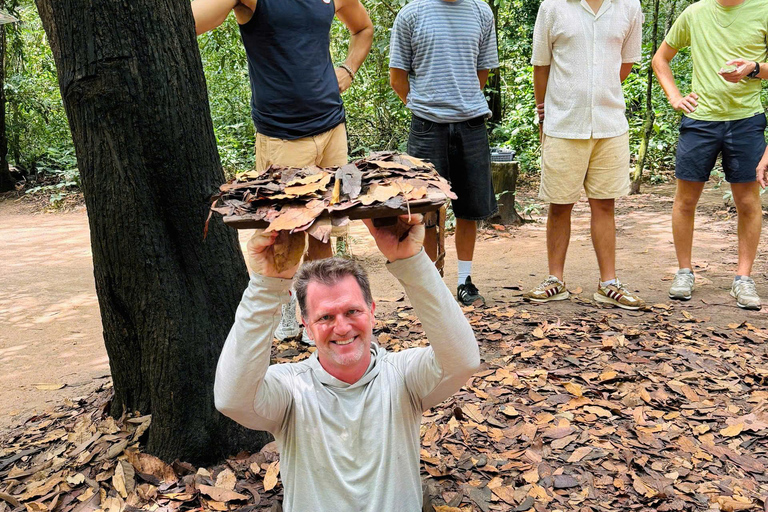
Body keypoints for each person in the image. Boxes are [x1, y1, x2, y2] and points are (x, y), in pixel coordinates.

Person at [214, 214, 480, 511]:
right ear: (306, 325)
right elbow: (232, 399)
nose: (341, 328)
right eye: (325, 317)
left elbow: (463, 361)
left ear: (372, 311)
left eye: (352, 311)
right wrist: (266, 286)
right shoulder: (291, 388)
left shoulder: (402, 376)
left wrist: (412, 261)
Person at [192, 0, 374, 340]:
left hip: (332, 127)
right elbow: (190, 20)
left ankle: (319, 314)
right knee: (284, 235)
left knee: (323, 230)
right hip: (283, 136)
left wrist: (347, 69)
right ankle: (284, 310)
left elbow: (363, 29)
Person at [523, 0, 646, 310]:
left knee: (605, 204)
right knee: (560, 204)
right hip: (563, 123)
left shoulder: (629, 7)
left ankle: (609, 284)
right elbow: (542, 64)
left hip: (610, 124)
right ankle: (555, 280)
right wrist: (543, 115)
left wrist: (599, 91)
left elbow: (626, 63)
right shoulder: (553, 7)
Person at [653, 0, 767, 310]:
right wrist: (675, 97)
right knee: (685, 200)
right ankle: (684, 272)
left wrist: (754, 68)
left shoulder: (764, 9)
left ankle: (743, 279)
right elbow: (660, 59)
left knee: (747, 202)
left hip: (746, 121)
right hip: (700, 121)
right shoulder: (695, 12)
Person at [388, 0, 500, 306]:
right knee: (425, 209)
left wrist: (459, 102)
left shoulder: (480, 12)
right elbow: (397, 77)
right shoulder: (411, 14)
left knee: (469, 208)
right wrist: (428, 107)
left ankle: (465, 281)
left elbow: (482, 71)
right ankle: (431, 285)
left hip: (471, 124)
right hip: (427, 127)